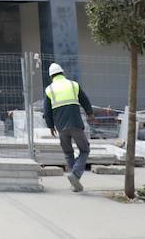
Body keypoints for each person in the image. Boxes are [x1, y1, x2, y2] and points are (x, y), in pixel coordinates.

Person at [43, 62, 94, 192]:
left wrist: (50, 126)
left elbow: (47, 111)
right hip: (76, 124)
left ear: (51, 76)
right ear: (63, 73)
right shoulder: (73, 85)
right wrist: (90, 113)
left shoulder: (49, 89)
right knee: (85, 150)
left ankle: (74, 181)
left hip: (61, 127)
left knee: (68, 153)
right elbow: (85, 100)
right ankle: (75, 175)